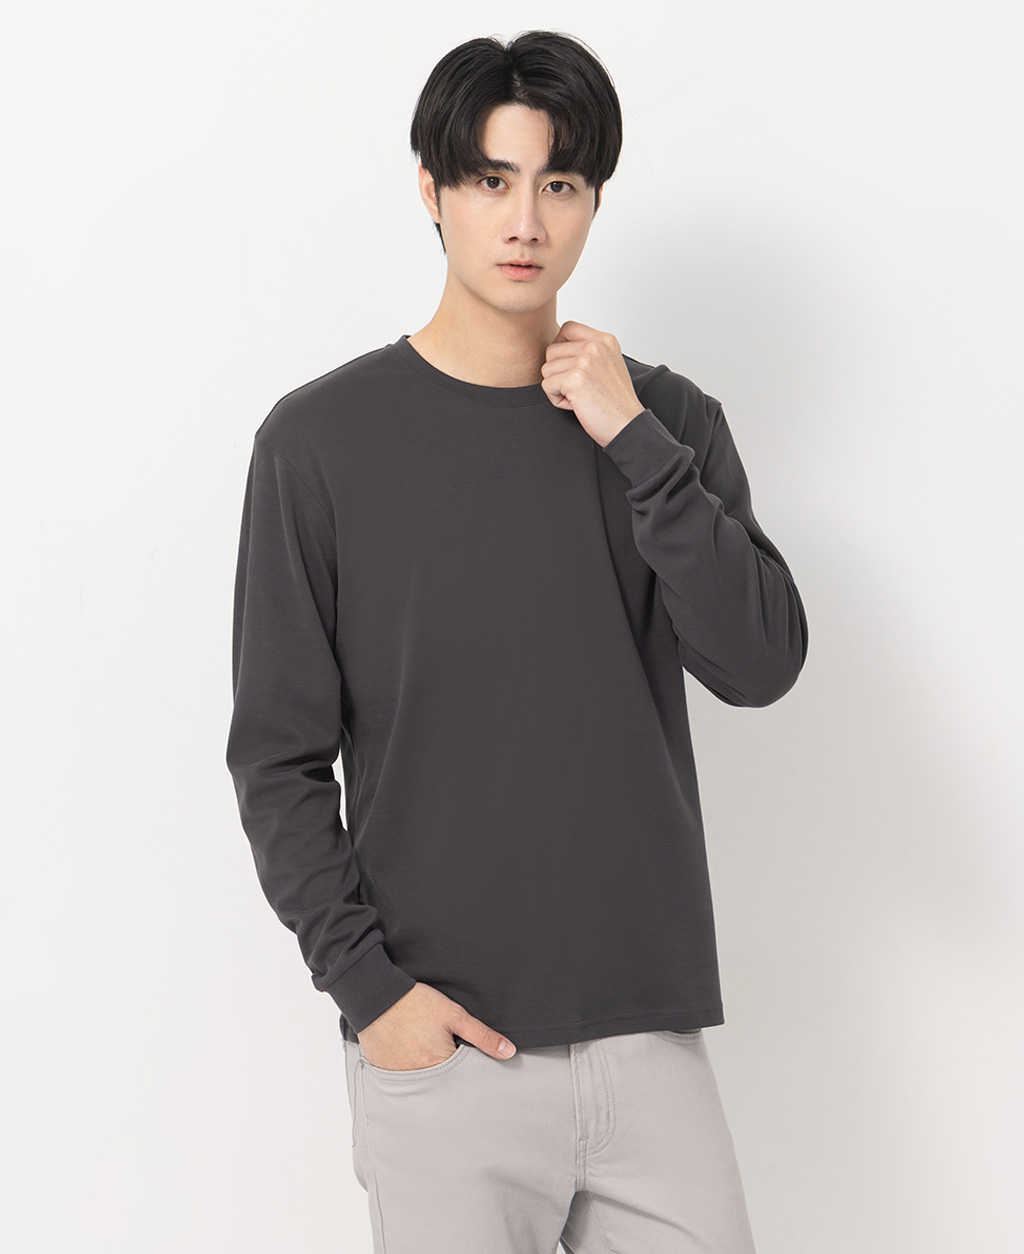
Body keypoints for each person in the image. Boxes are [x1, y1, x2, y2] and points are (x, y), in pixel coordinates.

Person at [226, 28, 808, 1254]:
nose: (525, 220)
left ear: (594, 201)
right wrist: (372, 995)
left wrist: (634, 442)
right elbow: (277, 757)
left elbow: (758, 665)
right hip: (445, 1051)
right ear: (430, 189)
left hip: (648, 1042)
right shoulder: (318, 445)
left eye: (560, 183)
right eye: (491, 179)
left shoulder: (665, 422)